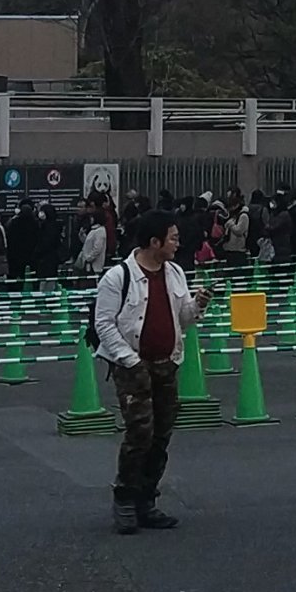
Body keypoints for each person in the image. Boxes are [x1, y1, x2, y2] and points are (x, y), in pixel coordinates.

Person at [90, 210, 199, 534]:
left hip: (167, 362)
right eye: (173, 237)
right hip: (132, 365)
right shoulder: (118, 277)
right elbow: (104, 323)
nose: (178, 243)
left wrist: (200, 304)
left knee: (162, 434)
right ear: (155, 242)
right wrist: (129, 359)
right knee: (140, 433)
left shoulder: (175, 272)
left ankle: (147, 500)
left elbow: (185, 317)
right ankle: (125, 498)